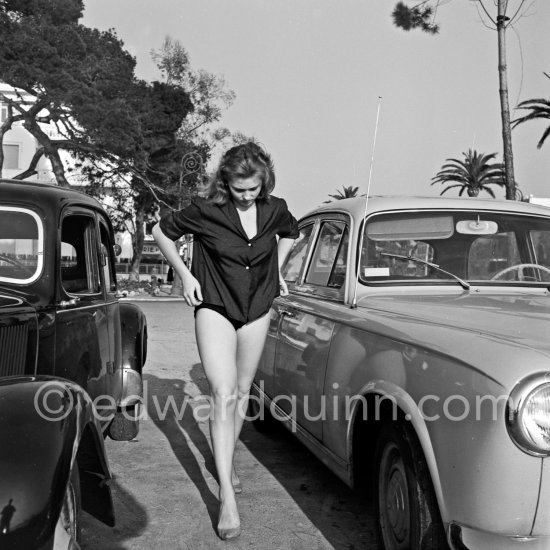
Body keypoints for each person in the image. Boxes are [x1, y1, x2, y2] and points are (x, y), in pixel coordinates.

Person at [152, 142, 298, 540]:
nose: (248, 196)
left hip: (258, 306)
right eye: (240, 189)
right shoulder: (205, 210)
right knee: (222, 391)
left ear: (264, 181)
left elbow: (291, 232)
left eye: (254, 188)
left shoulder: (275, 208)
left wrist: (278, 269)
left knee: (242, 390)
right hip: (215, 304)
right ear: (226, 182)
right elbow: (160, 231)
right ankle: (226, 500)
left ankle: (226, 461)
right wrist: (185, 275)